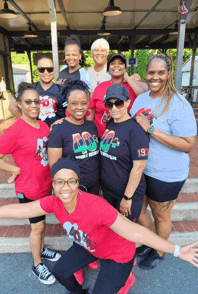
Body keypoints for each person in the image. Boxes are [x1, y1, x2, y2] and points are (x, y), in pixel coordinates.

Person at [0, 158, 198, 294]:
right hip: (90, 245)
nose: (65, 187)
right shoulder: (53, 202)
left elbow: (134, 231)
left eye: (71, 181)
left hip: (117, 254)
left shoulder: (95, 205)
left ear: (78, 183)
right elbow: (17, 210)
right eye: (59, 181)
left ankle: (126, 276)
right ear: (53, 183)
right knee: (61, 272)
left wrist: (176, 250)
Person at [0, 82, 61, 285]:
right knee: (37, 227)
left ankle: (42, 249)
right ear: (19, 104)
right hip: (29, 188)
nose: (34, 105)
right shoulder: (15, 130)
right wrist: (14, 170)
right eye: (28, 102)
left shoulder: (42, 125)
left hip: (44, 184)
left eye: (36, 101)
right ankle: (37, 265)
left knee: (41, 224)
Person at [130, 53, 197, 270]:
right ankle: (151, 241)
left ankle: (159, 251)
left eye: (160, 72)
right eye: (151, 72)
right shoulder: (142, 99)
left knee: (161, 214)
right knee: (140, 211)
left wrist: (151, 129)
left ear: (168, 75)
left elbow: (188, 144)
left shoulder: (178, 104)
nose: (155, 77)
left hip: (166, 174)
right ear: (146, 74)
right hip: (142, 169)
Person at [48, 79, 100, 283]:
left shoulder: (91, 125)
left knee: (90, 224)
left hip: (94, 184)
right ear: (66, 105)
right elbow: (54, 166)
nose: (79, 108)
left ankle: (86, 255)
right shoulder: (59, 130)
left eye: (83, 103)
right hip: (74, 190)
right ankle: (74, 264)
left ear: (88, 104)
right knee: (76, 227)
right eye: (74, 103)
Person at [100, 84, 149, 293]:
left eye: (119, 103)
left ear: (128, 103)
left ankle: (127, 275)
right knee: (115, 233)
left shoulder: (135, 130)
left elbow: (138, 167)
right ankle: (119, 263)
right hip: (110, 192)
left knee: (126, 236)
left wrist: (127, 197)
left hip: (127, 195)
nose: (114, 108)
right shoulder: (111, 123)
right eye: (109, 104)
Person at [87, 53, 146, 138]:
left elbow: (145, 94)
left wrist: (129, 78)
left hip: (125, 136)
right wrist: (90, 130)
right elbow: (91, 109)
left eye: (121, 63)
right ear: (108, 68)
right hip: (100, 137)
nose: (116, 66)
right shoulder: (100, 87)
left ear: (125, 68)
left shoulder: (132, 85)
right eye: (113, 64)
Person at [9, 55, 66, 127]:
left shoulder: (62, 90)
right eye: (42, 69)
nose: (46, 72)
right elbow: (12, 106)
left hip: (57, 132)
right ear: (38, 71)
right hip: (36, 133)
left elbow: (70, 112)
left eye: (49, 69)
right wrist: (26, 123)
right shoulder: (29, 88)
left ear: (54, 70)